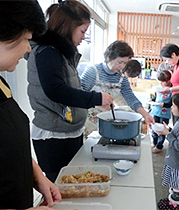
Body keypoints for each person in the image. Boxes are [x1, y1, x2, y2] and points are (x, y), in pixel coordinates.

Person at [26, 0, 114, 183]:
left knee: (73, 183)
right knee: (61, 186)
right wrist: (96, 98)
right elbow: (56, 90)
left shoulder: (63, 52)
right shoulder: (48, 52)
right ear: (68, 26)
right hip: (53, 136)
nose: (84, 37)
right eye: (82, 31)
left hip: (68, 131)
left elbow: (69, 90)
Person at [0, 1, 61, 209]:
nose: (27, 49)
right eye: (26, 39)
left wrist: (38, 177)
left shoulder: (1, 85)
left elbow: (11, 147)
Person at [81, 40, 154, 135]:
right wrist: (97, 103)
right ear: (109, 58)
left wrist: (145, 114)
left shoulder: (121, 77)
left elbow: (131, 98)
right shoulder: (93, 71)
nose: (122, 66)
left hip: (106, 120)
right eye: (120, 62)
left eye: (125, 63)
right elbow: (79, 95)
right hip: (88, 121)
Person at [150, 70, 172, 154]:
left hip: (164, 113)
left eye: (163, 82)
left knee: (162, 129)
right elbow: (155, 97)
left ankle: (159, 146)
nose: (161, 84)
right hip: (156, 111)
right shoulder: (158, 88)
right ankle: (154, 142)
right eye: (160, 82)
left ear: (168, 80)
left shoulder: (171, 90)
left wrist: (164, 104)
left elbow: (171, 102)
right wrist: (151, 100)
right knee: (154, 127)